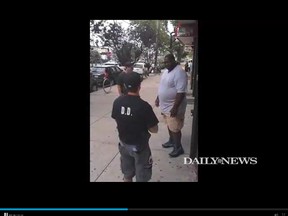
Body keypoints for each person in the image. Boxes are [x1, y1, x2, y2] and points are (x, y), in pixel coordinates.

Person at [112, 72, 159, 182]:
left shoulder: (117, 102)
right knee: (142, 177)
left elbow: (116, 119)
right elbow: (154, 129)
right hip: (140, 148)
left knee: (127, 175)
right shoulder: (144, 106)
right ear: (139, 86)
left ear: (124, 86)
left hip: (124, 145)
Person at [155, 53, 188, 157]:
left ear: (174, 60)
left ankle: (178, 148)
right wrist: (158, 98)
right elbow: (162, 86)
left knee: (175, 128)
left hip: (174, 107)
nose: (166, 63)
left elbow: (181, 92)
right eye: (165, 62)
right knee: (169, 125)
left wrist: (175, 108)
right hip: (165, 106)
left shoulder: (179, 72)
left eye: (168, 61)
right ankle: (171, 141)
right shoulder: (165, 72)